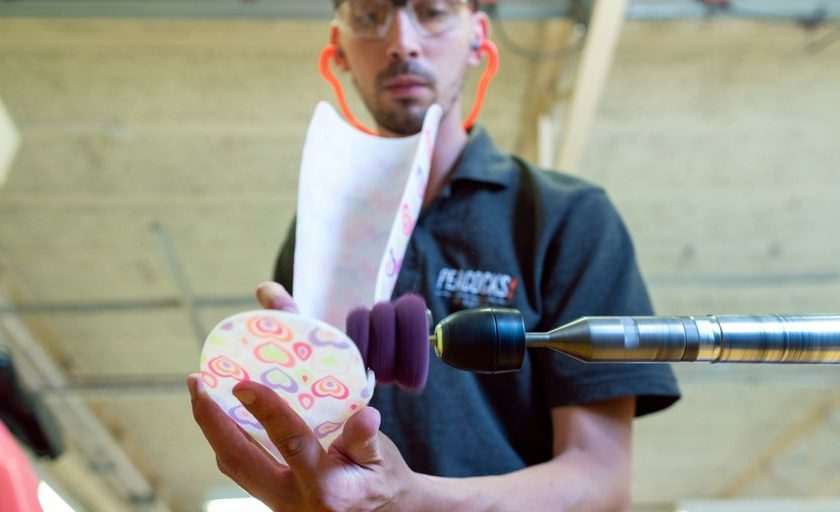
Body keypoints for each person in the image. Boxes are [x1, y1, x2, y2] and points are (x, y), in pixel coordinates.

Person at [188, 1, 681, 510]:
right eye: (370, 16)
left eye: (433, 11)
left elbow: (601, 481)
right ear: (338, 50)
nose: (402, 42)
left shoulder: (568, 217)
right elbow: (317, 457)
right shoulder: (316, 234)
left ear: (478, 37)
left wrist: (412, 498)